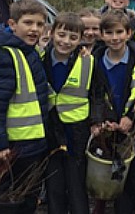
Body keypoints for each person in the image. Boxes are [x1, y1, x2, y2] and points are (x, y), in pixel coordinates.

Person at [0, 0, 50, 199]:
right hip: (15, 145)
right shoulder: (6, 56)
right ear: (12, 24)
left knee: (28, 197)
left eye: (39, 24)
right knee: (12, 199)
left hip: (31, 141)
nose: (34, 29)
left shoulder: (29, 51)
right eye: (28, 23)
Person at [90, 9, 135, 214]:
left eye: (119, 32)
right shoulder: (94, 61)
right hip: (110, 131)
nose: (114, 38)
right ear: (101, 34)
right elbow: (95, 95)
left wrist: (131, 118)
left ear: (129, 33)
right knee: (116, 182)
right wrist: (102, 121)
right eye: (109, 33)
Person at [42, 12, 105, 214]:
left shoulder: (88, 61)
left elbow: (97, 93)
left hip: (77, 129)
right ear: (51, 33)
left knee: (77, 182)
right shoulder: (39, 58)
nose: (66, 41)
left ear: (81, 39)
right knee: (54, 182)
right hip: (50, 127)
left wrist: (96, 120)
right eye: (61, 35)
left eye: (73, 37)